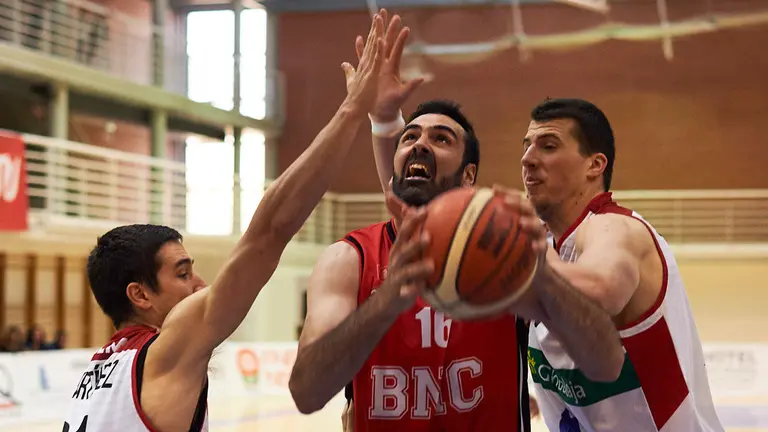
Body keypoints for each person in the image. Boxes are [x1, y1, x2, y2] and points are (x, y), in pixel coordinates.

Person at [289, 11, 624, 431]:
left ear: (469, 177)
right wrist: (385, 302)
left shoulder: (508, 249)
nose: (419, 144)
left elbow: (607, 364)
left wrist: (544, 282)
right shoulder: (350, 258)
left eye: (441, 139)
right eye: (409, 137)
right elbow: (306, 392)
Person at [62, 14, 388, 432]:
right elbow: (269, 234)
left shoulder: (94, 376)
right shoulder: (164, 351)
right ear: (140, 294)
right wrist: (353, 109)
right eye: (183, 274)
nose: (200, 284)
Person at [516, 98, 725, 431]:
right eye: (526, 146)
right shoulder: (548, 246)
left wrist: (528, 250)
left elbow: (600, 292)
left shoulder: (616, 228)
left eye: (548, 146)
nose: (527, 158)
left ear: (595, 165)